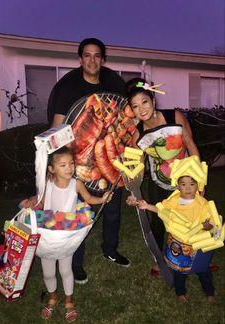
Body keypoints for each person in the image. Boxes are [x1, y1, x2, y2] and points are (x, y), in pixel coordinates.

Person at [47, 38, 130, 284]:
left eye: (97, 56)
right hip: (78, 164)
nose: (92, 60)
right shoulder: (68, 89)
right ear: (80, 58)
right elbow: (56, 127)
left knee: (112, 210)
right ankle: (76, 263)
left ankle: (110, 249)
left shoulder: (112, 83)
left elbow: (123, 117)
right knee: (80, 214)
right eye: (87, 55)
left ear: (103, 59)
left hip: (108, 159)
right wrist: (55, 164)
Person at [21, 147, 113, 321]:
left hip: (66, 236)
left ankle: (69, 301)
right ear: (51, 169)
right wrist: (32, 201)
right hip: (48, 235)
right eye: (63, 165)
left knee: (65, 269)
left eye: (71, 163)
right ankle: (53, 296)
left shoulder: (76, 184)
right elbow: (40, 202)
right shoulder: (47, 184)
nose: (69, 168)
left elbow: (89, 199)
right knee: (48, 272)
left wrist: (102, 199)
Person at [126, 78, 200, 276]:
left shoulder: (174, 116)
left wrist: (199, 179)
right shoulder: (138, 135)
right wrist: (132, 188)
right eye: (135, 106)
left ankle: (192, 256)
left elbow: (191, 144)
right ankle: (160, 259)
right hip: (159, 182)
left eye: (144, 102)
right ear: (132, 111)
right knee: (158, 219)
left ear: (153, 101)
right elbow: (138, 166)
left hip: (185, 181)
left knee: (188, 218)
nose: (141, 109)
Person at [127, 174, 215, 303]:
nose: (188, 188)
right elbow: (161, 210)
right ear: (177, 186)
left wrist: (208, 226)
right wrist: (147, 206)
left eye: (192, 184)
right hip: (179, 242)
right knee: (179, 270)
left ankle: (209, 292)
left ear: (198, 186)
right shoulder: (174, 200)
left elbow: (211, 223)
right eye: (183, 184)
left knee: (203, 270)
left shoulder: (203, 203)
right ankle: (180, 292)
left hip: (197, 244)